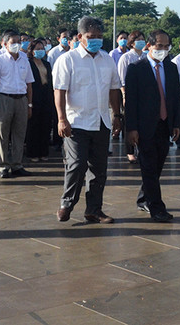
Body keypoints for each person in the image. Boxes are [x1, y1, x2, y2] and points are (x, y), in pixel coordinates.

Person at [53, 16, 123, 224]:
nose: (96, 40)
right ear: (80, 36)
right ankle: (67, 203)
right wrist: (61, 119)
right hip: (76, 121)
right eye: (91, 36)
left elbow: (114, 89)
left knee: (99, 169)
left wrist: (116, 115)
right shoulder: (68, 59)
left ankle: (94, 210)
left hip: (101, 121)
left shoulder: (107, 59)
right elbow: (59, 91)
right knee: (77, 164)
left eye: (99, 36)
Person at [125, 29, 180, 222]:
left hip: (164, 125)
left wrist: (176, 124)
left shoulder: (171, 68)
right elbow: (131, 102)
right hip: (144, 127)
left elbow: (174, 98)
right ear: (148, 46)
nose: (163, 50)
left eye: (167, 46)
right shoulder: (136, 69)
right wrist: (131, 128)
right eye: (159, 46)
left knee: (156, 167)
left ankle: (143, 198)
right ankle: (157, 208)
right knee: (148, 167)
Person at [0, 31, 34, 179]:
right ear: (5, 44)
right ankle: (3, 165)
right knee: (3, 134)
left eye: (19, 42)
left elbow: (29, 84)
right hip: (4, 99)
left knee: (19, 134)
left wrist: (29, 104)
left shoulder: (24, 60)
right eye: (13, 42)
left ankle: (17, 165)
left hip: (21, 99)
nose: (17, 45)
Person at [117, 29, 148, 163]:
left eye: (142, 39)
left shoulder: (146, 56)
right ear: (131, 42)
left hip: (145, 96)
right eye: (138, 40)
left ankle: (141, 149)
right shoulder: (126, 58)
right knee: (129, 123)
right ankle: (130, 151)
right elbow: (121, 79)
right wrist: (124, 95)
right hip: (130, 94)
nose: (141, 42)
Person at [26, 39, 54, 162]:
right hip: (34, 96)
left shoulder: (46, 63)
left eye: (42, 49)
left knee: (46, 125)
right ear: (32, 51)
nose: (40, 51)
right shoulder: (28, 63)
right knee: (34, 126)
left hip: (46, 97)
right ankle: (33, 153)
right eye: (37, 49)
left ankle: (44, 152)